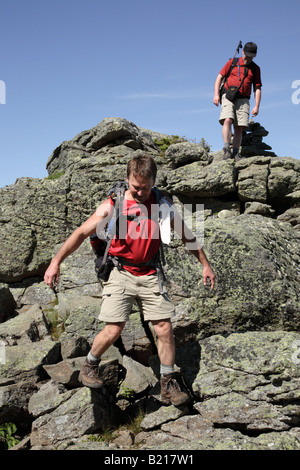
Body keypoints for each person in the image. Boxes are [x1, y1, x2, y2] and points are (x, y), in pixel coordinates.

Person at [44, 153, 215, 406]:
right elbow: (81, 232)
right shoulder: (113, 204)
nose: (140, 192)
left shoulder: (161, 205)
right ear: (127, 179)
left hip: (149, 273)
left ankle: (167, 383)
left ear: (154, 182)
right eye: (135, 187)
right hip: (120, 272)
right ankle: (89, 365)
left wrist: (205, 265)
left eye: (146, 187)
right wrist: (55, 262)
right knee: (114, 328)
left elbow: (187, 236)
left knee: (164, 329)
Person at [213, 42, 262, 160]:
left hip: (244, 99)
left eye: (252, 56)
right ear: (243, 52)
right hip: (228, 95)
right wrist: (216, 95)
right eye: (247, 55)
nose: (249, 58)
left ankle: (235, 153)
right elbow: (219, 77)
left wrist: (257, 106)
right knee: (228, 120)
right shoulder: (233, 62)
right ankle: (226, 149)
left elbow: (257, 88)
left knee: (239, 127)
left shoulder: (255, 69)